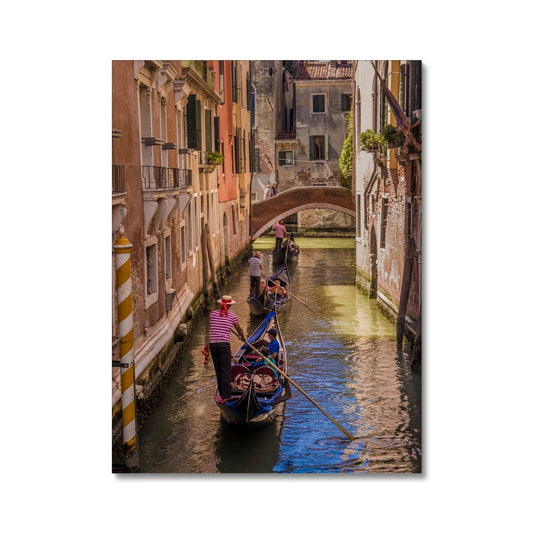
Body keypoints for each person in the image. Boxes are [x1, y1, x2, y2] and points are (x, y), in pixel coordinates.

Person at [209, 295, 245, 402]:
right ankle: (226, 396)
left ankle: (222, 393)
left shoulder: (213, 314)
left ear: (221, 304)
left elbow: (217, 324)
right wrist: (242, 337)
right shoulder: (232, 317)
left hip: (213, 345)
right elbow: (239, 329)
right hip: (223, 345)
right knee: (226, 370)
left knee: (218, 370)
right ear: (229, 305)